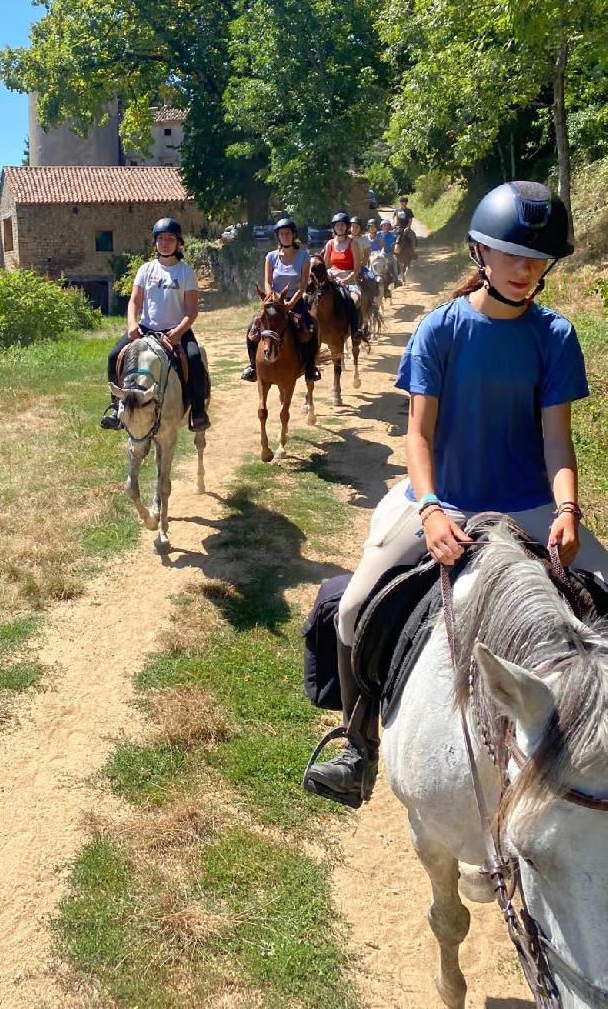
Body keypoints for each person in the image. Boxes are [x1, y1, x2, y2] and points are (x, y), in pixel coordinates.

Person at [302, 180, 608, 809]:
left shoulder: (554, 335)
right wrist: (433, 509)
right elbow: (418, 436)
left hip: (532, 502)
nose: (526, 269)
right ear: (480, 254)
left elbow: (556, 440)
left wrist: (569, 511)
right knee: (357, 603)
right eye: (512, 254)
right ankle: (358, 747)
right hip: (449, 499)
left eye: (537, 258)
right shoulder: (439, 329)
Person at [101, 218, 210, 431]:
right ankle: (117, 408)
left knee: (195, 359)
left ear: (179, 243)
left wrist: (178, 332)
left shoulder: (185, 272)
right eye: (161, 239)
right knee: (114, 355)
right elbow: (134, 301)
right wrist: (132, 323)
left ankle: (197, 411)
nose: (165, 243)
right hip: (146, 329)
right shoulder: (145, 270)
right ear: (155, 243)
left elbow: (192, 310)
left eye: (170, 239)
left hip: (177, 330)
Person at [241, 217, 319, 382]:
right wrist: (273, 299)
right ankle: (253, 367)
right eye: (281, 233)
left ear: (293, 235)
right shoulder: (271, 257)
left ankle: (310, 367)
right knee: (252, 328)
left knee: (311, 326)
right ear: (278, 236)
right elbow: (268, 281)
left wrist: (290, 303)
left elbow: (303, 285)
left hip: (294, 301)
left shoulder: (304, 257)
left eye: (287, 233)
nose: (285, 236)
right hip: (273, 303)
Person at [321, 212, 363, 338]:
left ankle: (355, 330)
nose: (340, 227)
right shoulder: (330, 244)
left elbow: (357, 269)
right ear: (334, 227)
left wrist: (346, 280)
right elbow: (325, 265)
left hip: (349, 278)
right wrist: (328, 277)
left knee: (354, 299)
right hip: (332, 277)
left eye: (343, 225)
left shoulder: (353, 243)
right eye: (337, 225)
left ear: (347, 227)